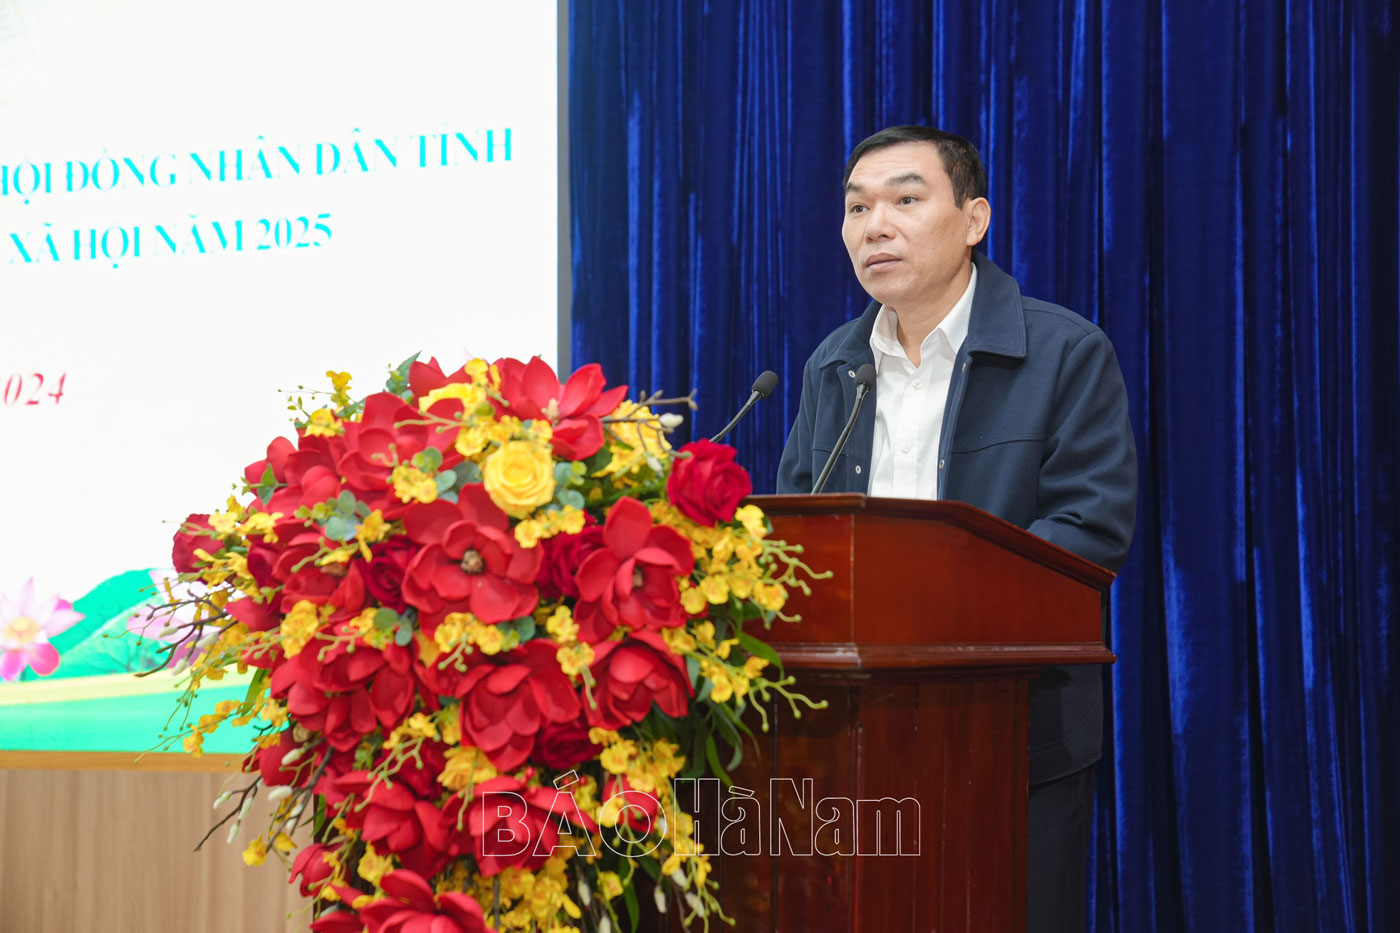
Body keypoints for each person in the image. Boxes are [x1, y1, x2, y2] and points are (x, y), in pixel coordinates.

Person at [777, 125, 1137, 931]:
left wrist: (932, 612)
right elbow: (800, 532)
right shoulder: (834, 365)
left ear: (974, 219)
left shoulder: (1063, 351)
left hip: (1011, 735)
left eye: (905, 200)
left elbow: (1087, 529)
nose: (876, 226)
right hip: (851, 738)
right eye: (858, 208)